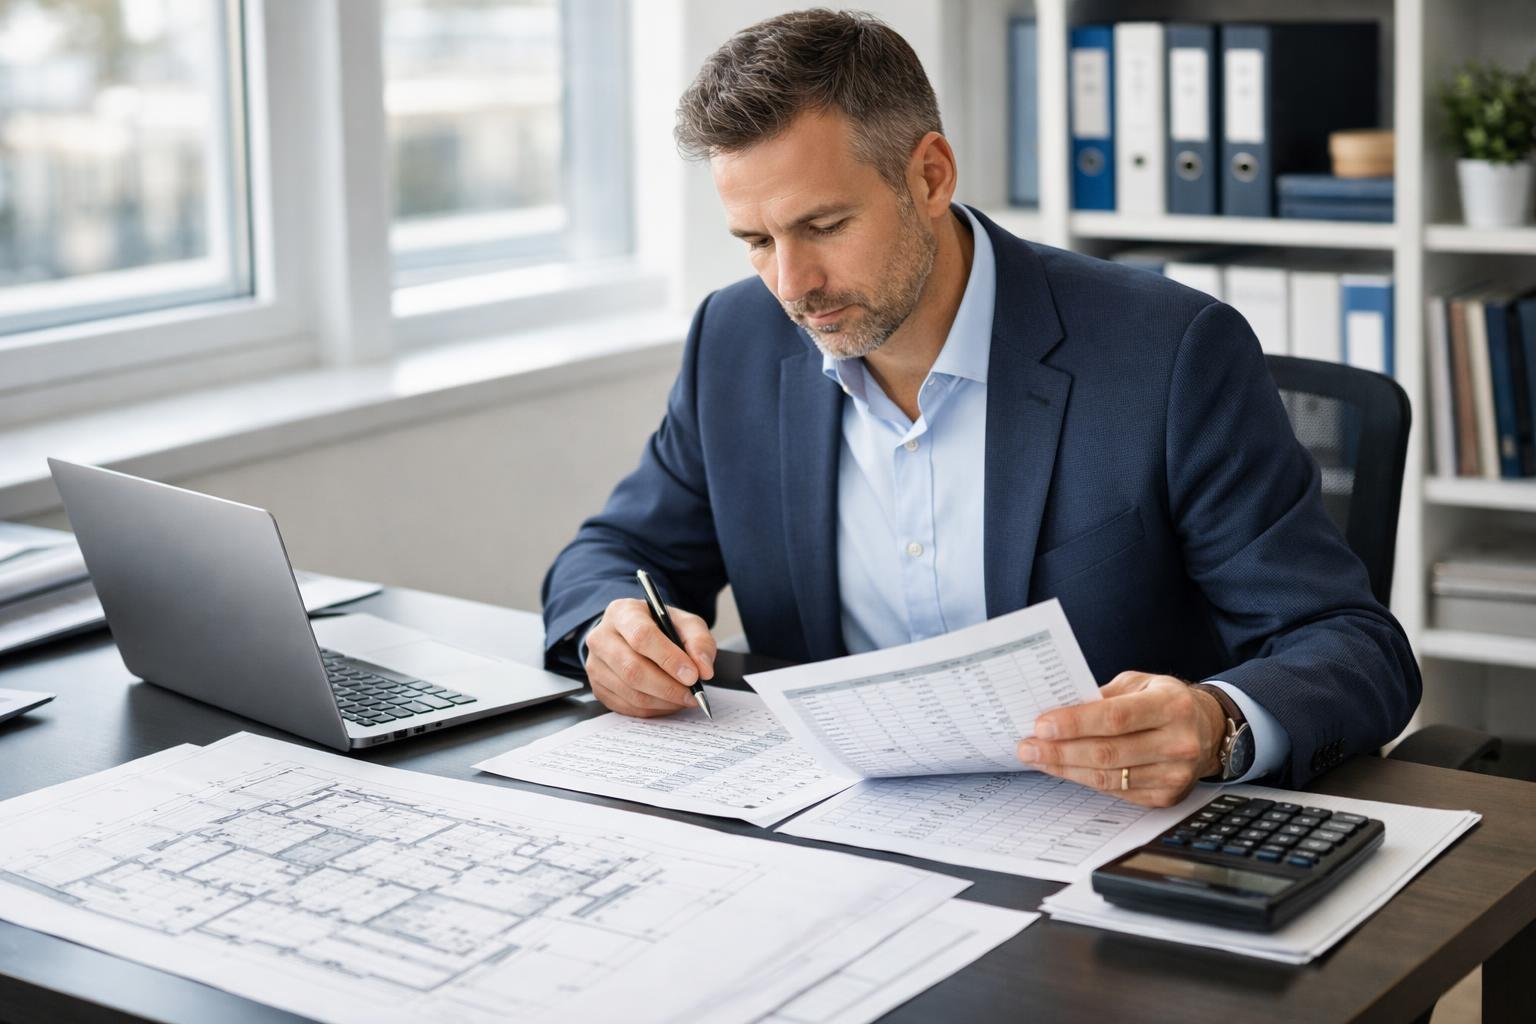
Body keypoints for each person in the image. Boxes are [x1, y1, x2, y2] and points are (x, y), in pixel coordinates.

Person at [541, 9, 1420, 807]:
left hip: (1107, 839)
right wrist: (610, 632)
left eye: (824, 226)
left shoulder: (1171, 354)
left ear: (929, 174)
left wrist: (1217, 722)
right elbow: (615, 554)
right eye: (756, 241)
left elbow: (1352, 647)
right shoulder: (735, 341)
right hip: (843, 834)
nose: (791, 284)